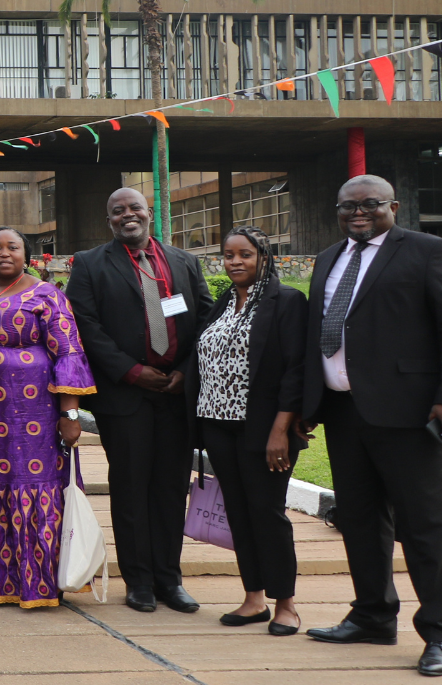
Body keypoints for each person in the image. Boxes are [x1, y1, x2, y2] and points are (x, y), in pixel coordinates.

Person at [291, 176, 442, 675]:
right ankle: (373, 615)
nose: (358, 213)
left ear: (393, 206)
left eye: (370, 204)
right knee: (359, 519)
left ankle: (439, 633)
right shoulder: (329, 257)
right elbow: (322, 330)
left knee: (424, 527)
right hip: (343, 411)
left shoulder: (425, 251)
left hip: (408, 413)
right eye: (347, 206)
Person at [65, 187, 212, 614]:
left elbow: (204, 318)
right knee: (130, 488)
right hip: (125, 396)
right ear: (109, 220)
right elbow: (85, 326)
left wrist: (185, 369)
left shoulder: (184, 262)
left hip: (175, 393)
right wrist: (131, 371)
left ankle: (170, 579)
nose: (127, 215)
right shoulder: (90, 264)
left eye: (134, 208)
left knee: (169, 488)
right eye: (118, 211)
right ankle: (140, 582)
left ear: (149, 214)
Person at [0, 226, 94, 609]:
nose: (4, 253)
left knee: (29, 486)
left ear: (27, 254)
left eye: (13, 247)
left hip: (31, 419)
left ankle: (35, 583)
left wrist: (70, 413)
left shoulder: (47, 295)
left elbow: (68, 355)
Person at [195, 226, 307, 635]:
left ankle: (286, 604)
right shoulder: (224, 301)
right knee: (238, 513)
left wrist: (281, 429)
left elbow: (296, 369)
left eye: (245, 254)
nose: (236, 262)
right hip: (218, 425)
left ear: (263, 256)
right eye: (228, 255)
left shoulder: (287, 301)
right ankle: (254, 598)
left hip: (264, 428)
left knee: (267, 513)